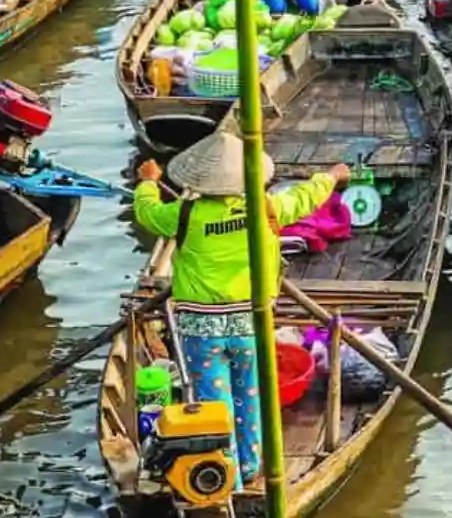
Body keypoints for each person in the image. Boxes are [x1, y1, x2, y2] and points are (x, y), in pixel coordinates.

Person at [133, 138, 349, 489]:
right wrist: (332, 175)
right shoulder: (266, 207)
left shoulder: (184, 213)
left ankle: (227, 480)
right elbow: (306, 196)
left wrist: (147, 182)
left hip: (201, 330)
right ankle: (248, 465)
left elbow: (147, 213)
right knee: (250, 395)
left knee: (214, 404)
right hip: (251, 323)